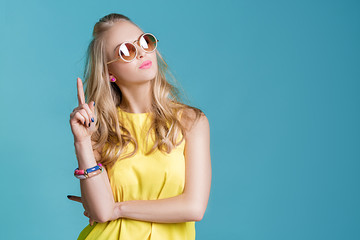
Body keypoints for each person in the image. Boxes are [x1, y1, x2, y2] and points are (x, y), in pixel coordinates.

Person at [67, 13, 211, 240]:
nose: (142, 52)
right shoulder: (100, 129)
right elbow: (102, 212)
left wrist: (120, 208)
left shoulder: (191, 122)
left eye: (144, 41)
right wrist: (82, 142)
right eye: (126, 51)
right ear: (109, 72)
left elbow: (194, 207)